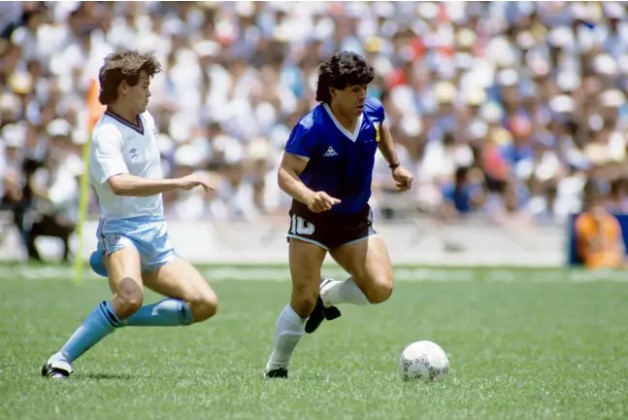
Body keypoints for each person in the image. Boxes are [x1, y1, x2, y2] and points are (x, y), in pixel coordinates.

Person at [41, 50, 218, 379]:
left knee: (205, 304)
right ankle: (60, 358)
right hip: (121, 233)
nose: (149, 93)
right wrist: (177, 182)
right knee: (130, 297)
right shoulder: (106, 133)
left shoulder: (145, 120)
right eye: (144, 86)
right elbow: (119, 184)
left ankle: (114, 313)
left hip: (156, 235)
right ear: (124, 88)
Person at [264, 51, 414, 378]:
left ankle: (327, 293)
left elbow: (381, 130)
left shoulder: (372, 111)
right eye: (354, 89)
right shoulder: (311, 128)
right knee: (303, 300)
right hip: (313, 220)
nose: (363, 95)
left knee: (380, 288)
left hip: (353, 218)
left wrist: (395, 165)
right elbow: (285, 174)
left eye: (365, 88)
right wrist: (309, 196)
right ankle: (277, 366)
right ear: (333, 91)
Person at [574, 180, 627, 270]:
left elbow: (618, 245)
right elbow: (595, 247)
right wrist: (599, 226)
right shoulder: (583, 221)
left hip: (611, 256)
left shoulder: (610, 221)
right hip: (594, 258)